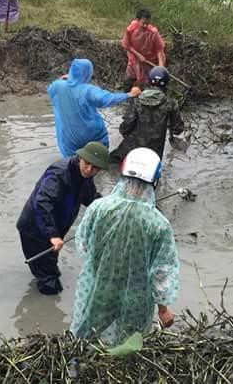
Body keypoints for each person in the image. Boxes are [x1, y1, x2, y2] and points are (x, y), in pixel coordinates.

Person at [70, 147, 179, 345]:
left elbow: (83, 244)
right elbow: (161, 272)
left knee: (84, 336)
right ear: (155, 181)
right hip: (136, 299)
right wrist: (163, 309)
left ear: (123, 174)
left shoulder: (98, 208)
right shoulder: (159, 224)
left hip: (96, 288)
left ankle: (75, 365)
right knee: (128, 344)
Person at [16, 141, 110, 295]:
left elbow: (91, 198)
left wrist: (113, 206)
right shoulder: (59, 173)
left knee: (48, 265)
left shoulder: (84, 176)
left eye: (95, 168)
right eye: (87, 163)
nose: (89, 169)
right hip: (36, 230)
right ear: (80, 158)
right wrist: (52, 235)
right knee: (50, 282)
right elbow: (42, 202)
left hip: (54, 230)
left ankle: (42, 273)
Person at [48, 58, 141, 158]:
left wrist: (66, 79)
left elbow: (55, 87)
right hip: (92, 137)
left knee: (72, 165)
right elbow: (107, 99)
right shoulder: (88, 90)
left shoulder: (56, 86)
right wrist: (129, 94)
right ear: (88, 73)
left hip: (69, 140)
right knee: (97, 163)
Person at [110, 66, 184, 162]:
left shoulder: (137, 100)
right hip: (154, 153)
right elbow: (177, 129)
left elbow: (126, 126)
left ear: (149, 81)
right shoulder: (171, 104)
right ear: (166, 83)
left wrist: (124, 132)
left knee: (110, 163)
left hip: (131, 148)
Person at [122, 9, 166, 88]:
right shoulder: (130, 30)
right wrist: (138, 55)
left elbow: (159, 50)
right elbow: (126, 45)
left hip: (149, 60)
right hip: (134, 58)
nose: (145, 26)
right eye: (143, 23)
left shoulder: (153, 32)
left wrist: (161, 67)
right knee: (129, 79)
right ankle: (127, 92)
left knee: (146, 82)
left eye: (147, 23)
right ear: (138, 20)